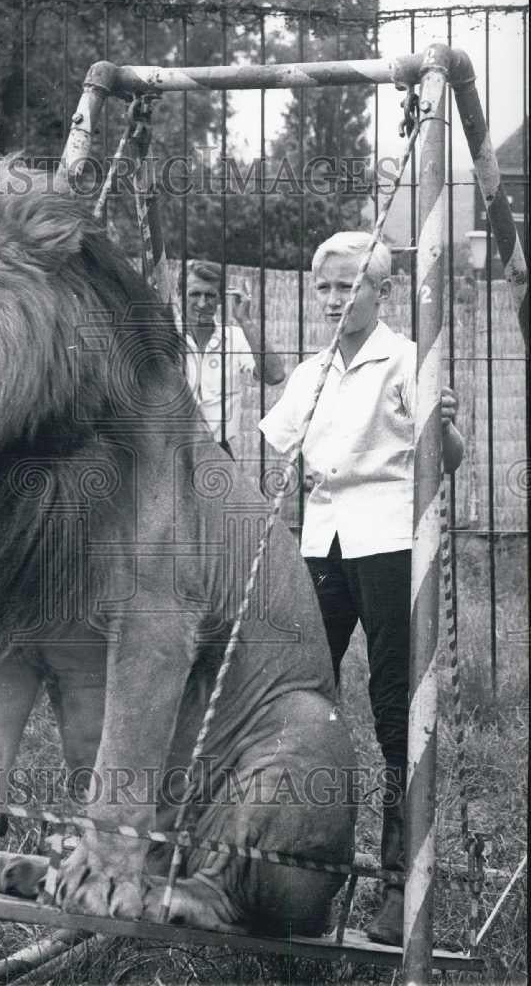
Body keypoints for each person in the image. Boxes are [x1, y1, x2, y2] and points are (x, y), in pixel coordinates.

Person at [258, 231, 464, 946]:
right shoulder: (313, 371)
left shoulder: (407, 358)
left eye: (348, 286)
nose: (334, 299)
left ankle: (397, 884)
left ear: (380, 292)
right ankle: (285, 865)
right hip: (321, 543)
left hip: (387, 540)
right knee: (298, 696)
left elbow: (450, 456)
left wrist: (448, 434)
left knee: (390, 709)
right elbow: (276, 449)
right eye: (323, 288)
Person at [180, 259, 285, 459]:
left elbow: (275, 375)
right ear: (180, 295)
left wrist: (244, 320)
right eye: (194, 294)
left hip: (218, 452)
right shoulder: (165, 336)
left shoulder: (235, 337)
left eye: (210, 295)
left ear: (220, 299)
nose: (202, 303)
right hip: (170, 451)